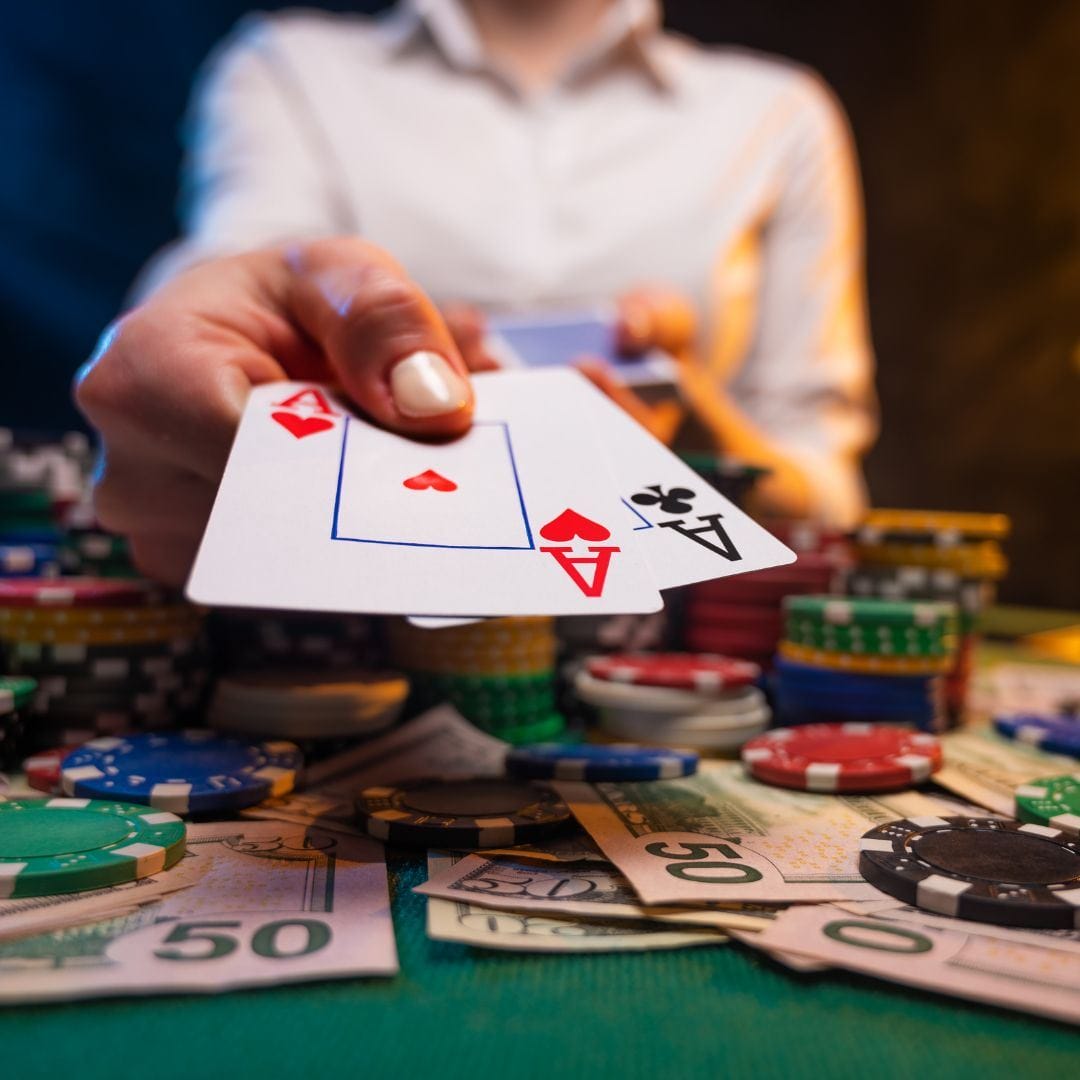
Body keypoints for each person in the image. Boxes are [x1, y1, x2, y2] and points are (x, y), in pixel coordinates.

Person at [77, 0, 876, 586]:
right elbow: (238, 275)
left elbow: (829, 494)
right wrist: (182, 337)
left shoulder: (779, 113)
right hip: (342, 641)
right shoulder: (287, 68)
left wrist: (708, 437)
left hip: (680, 645)